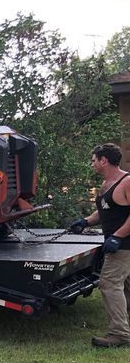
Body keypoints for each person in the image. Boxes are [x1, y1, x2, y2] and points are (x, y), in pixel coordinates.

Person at [70, 143, 130, 347]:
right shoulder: (107, 184)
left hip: (124, 244)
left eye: (94, 160)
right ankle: (124, 320)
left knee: (109, 283)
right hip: (117, 242)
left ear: (104, 160)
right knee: (126, 283)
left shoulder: (126, 181)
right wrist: (86, 221)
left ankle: (120, 335)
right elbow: (105, 211)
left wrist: (118, 237)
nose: (92, 164)